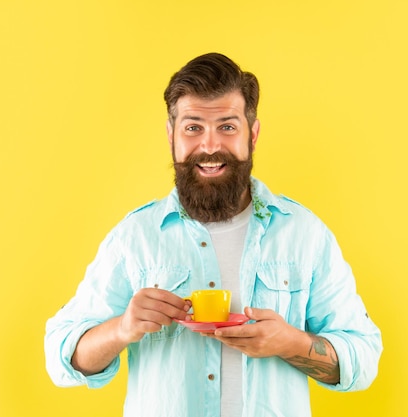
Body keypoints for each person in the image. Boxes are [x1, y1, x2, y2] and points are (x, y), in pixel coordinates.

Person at [44, 52, 382, 417]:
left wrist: (291, 342)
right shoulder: (135, 238)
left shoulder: (304, 234)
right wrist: (122, 328)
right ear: (171, 134)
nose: (209, 146)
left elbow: (363, 359)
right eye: (193, 128)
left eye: (227, 127)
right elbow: (61, 356)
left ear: (252, 134)